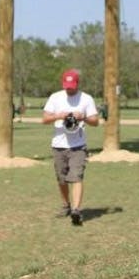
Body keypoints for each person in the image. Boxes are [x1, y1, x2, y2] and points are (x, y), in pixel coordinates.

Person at [41, 69, 99, 226]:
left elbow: (96, 121)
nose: (69, 88)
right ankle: (66, 205)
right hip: (58, 145)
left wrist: (84, 117)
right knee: (62, 179)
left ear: (77, 84)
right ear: (63, 84)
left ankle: (76, 210)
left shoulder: (86, 99)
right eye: (66, 86)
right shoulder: (55, 97)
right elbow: (44, 119)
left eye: (72, 86)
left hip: (78, 146)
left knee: (77, 176)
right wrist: (58, 116)